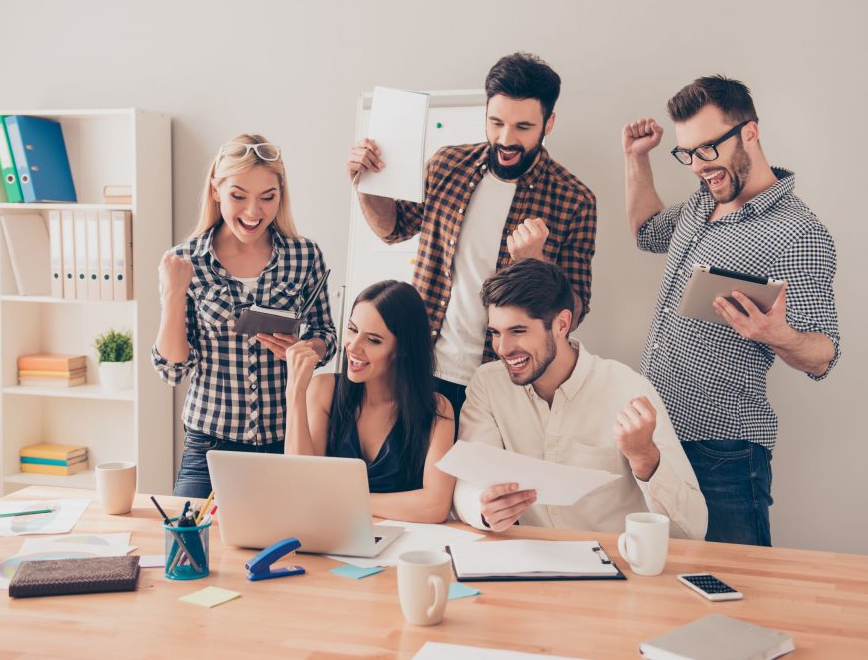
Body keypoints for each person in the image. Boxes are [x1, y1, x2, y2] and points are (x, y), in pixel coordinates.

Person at [622, 76, 841, 546]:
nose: (699, 166)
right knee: (668, 591)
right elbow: (646, 232)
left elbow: (822, 355)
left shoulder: (799, 233)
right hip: (659, 439)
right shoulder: (703, 202)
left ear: (749, 133)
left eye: (708, 149)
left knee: (741, 594)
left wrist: (776, 334)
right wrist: (637, 158)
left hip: (722, 452)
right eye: (687, 154)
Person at [346, 52, 597, 425]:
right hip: (422, 365)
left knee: (481, 482)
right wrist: (367, 185)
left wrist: (535, 264)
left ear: (549, 123)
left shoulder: (574, 200)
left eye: (523, 127)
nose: (506, 139)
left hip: (504, 380)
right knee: (418, 477)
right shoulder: (447, 165)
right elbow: (393, 228)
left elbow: (572, 314)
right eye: (496, 122)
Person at [453, 260, 707, 538]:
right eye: (495, 332)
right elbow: (467, 482)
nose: (502, 348)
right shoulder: (488, 385)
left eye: (518, 331)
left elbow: (693, 529)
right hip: (533, 564)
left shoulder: (629, 389)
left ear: (561, 324)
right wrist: (482, 507)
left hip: (617, 567)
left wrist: (645, 458)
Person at [152, 134, 337, 499]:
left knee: (290, 549)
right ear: (216, 190)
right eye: (239, 196)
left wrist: (304, 349)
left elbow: (326, 334)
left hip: (286, 443)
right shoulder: (185, 260)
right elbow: (172, 370)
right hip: (209, 448)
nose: (253, 212)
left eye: (267, 197)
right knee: (188, 548)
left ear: (280, 195)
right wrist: (174, 294)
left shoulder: (305, 256)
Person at [284, 281, 456, 524]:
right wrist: (295, 392)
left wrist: (338, 498)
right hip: (329, 535)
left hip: (401, 545)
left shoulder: (437, 409)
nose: (353, 347)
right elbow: (300, 484)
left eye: (373, 340)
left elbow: (434, 506)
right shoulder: (324, 390)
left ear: (403, 349)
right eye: (353, 330)